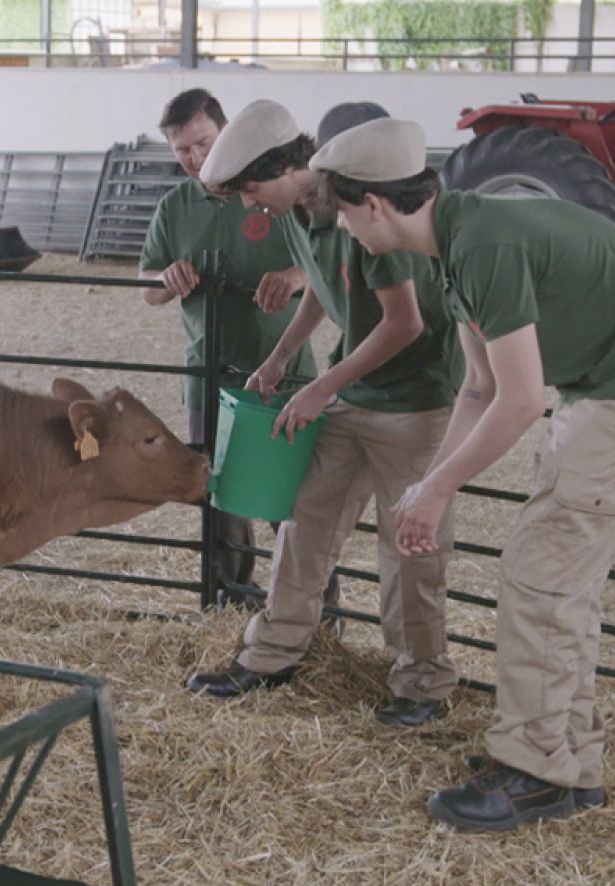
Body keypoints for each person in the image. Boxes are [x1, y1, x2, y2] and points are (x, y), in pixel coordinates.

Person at [310, 117, 615, 830]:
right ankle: (565, 760)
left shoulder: (481, 243)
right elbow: (480, 388)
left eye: (341, 212)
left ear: (372, 205)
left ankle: (537, 773)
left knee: (541, 574)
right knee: (556, 580)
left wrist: (436, 488)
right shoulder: (459, 238)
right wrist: (428, 486)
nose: (343, 229)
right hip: (605, 383)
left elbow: (522, 401)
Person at [183, 99, 463, 729]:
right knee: (304, 523)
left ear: (287, 166)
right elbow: (319, 285)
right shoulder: (295, 215)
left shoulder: (365, 208)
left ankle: (422, 682)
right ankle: (272, 655)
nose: (252, 204)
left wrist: (319, 387)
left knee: (410, 545)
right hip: (355, 394)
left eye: (254, 187)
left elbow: (404, 323)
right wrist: (284, 356)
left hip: (415, 403)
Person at [138, 89, 331, 609]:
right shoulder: (175, 206)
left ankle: (313, 605)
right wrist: (168, 275)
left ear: (228, 134)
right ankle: (231, 599)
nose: (196, 159)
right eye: (183, 150)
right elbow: (149, 285)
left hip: (281, 370)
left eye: (203, 143)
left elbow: (320, 266)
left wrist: (293, 277)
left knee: (287, 496)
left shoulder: (281, 197)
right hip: (208, 372)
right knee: (218, 495)